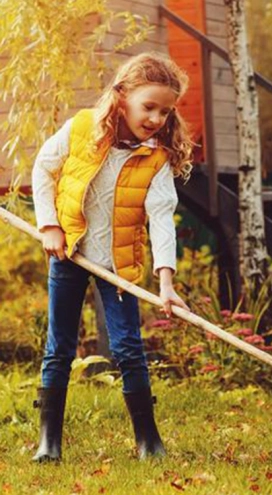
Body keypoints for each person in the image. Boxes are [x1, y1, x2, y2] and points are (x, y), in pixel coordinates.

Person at [31, 52, 194, 462]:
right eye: (148, 107)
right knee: (60, 347)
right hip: (69, 254)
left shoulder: (156, 159)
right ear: (122, 97)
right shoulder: (83, 129)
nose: (156, 118)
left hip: (118, 266)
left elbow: (161, 219)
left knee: (128, 348)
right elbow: (43, 169)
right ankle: (49, 442)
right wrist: (49, 225)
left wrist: (167, 283)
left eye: (165, 111)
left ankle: (149, 442)